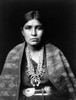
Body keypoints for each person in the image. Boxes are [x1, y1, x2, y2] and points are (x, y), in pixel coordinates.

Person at [0, 10, 76, 100]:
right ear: (22, 32)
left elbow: (68, 89)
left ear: (44, 30)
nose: (33, 33)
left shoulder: (55, 53)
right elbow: (6, 90)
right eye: (28, 28)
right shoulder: (14, 55)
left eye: (38, 28)